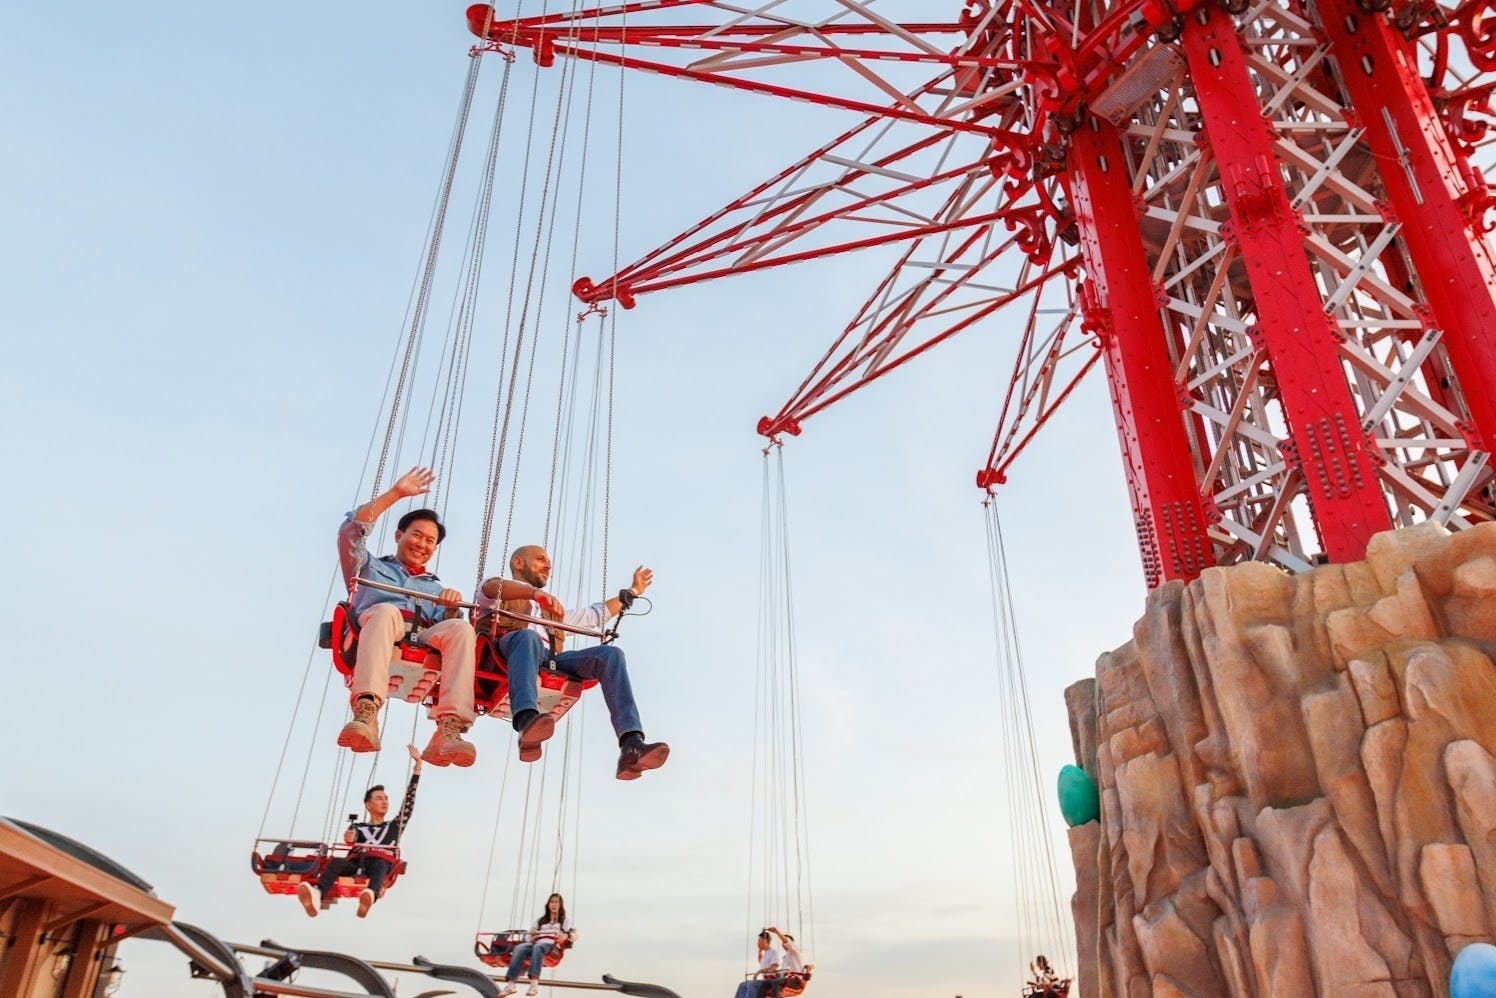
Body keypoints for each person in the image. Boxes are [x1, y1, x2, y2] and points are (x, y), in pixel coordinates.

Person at [476, 546, 668, 780]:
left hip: (549, 660)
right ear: (518, 563)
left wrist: (633, 591)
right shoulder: (497, 593)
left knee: (611, 655)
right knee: (530, 637)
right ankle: (526, 720)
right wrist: (535, 595)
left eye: (549, 562)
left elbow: (595, 615)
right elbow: (490, 588)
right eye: (540, 560)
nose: (548, 566)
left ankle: (631, 745)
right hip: (506, 653)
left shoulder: (552, 612)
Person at [336, 466, 477, 767]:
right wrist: (396, 494)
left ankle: (448, 728)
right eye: (417, 535)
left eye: (430, 542)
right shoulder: (369, 568)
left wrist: (452, 608)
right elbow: (350, 531)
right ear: (399, 535)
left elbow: (445, 627)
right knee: (386, 611)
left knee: (463, 630)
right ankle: (367, 710)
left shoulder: (432, 587)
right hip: (377, 630)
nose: (422, 545)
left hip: (420, 638)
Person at [297, 745, 422, 919]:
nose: (384, 802)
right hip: (358, 864)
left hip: (380, 866)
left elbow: (409, 802)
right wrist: (350, 837)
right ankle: (317, 895)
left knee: (379, 864)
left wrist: (417, 768)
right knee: (336, 861)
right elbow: (351, 837)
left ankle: (370, 896)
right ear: (368, 805)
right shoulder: (358, 827)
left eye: (386, 798)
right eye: (379, 798)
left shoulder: (393, 826)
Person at [499, 893, 576, 996]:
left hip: (551, 946)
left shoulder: (565, 920)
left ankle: (534, 984)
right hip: (537, 943)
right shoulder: (540, 921)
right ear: (548, 904)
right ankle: (511, 985)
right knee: (519, 948)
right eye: (552, 902)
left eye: (556, 902)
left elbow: (573, 934)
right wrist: (532, 934)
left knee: (538, 947)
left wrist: (566, 935)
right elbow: (529, 936)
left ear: (560, 905)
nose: (554, 904)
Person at [733, 930, 780, 998]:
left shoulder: (773, 952)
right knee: (743, 985)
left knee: (752, 984)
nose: (758, 943)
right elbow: (761, 961)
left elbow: (774, 967)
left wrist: (759, 971)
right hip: (764, 979)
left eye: (759, 940)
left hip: (770, 979)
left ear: (765, 940)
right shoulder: (765, 954)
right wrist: (760, 950)